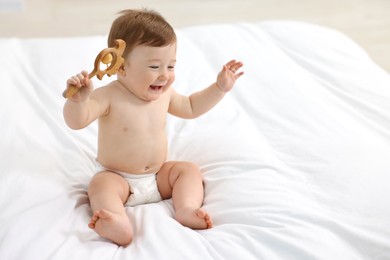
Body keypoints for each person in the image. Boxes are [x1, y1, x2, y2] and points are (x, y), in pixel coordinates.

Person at [63, 9, 244, 246]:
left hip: (159, 177)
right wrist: (78, 101)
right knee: (99, 185)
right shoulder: (108, 96)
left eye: (170, 66)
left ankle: (186, 208)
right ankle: (117, 221)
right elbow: (77, 121)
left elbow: (191, 107)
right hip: (120, 180)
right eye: (154, 66)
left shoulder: (165, 95)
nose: (164, 76)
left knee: (188, 170)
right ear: (121, 67)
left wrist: (218, 88)